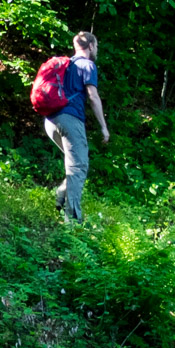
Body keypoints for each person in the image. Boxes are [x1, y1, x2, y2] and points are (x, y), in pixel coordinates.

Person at [43, 32, 108, 221]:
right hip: (70, 119)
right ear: (90, 46)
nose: (96, 49)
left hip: (50, 121)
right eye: (96, 45)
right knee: (79, 167)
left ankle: (59, 197)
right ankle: (72, 222)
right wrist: (103, 127)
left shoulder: (66, 65)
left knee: (74, 165)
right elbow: (93, 97)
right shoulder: (87, 65)